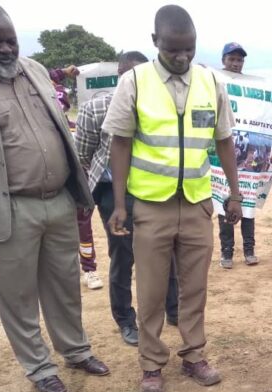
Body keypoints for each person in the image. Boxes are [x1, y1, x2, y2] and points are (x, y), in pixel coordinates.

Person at [0, 2, 110, 392]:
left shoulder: (35, 70)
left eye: (11, 40)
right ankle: (39, 368)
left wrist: (77, 189)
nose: (6, 49)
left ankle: (75, 351)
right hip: (5, 208)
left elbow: (58, 131)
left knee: (64, 284)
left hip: (58, 200)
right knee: (17, 294)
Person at [104, 5, 243, 392]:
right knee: (149, 290)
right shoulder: (134, 81)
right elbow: (121, 142)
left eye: (189, 50)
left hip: (197, 202)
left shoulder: (210, 82)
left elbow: (224, 141)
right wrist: (119, 204)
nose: (182, 58)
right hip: (151, 204)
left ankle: (194, 354)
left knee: (194, 287)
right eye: (173, 51)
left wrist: (234, 192)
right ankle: (151, 364)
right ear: (155, 43)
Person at [75, 50, 180, 347]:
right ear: (120, 75)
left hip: (156, 189)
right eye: (129, 76)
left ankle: (174, 310)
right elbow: (83, 153)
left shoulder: (161, 107)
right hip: (113, 193)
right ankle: (125, 319)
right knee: (123, 255)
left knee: (167, 249)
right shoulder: (96, 108)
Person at [51, 64, 104, 289]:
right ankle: (61, 274)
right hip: (54, 191)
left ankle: (89, 270)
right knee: (56, 234)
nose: (58, 109)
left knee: (84, 228)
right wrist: (62, 72)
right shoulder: (42, 131)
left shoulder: (76, 128)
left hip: (80, 190)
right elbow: (41, 75)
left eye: (60, 105)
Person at [217, 41, 257, 268]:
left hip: (246, 159)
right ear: (223, 60)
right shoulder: (214, 81)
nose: (235, 63)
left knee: (248, 203)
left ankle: (249, 249)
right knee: (224, 203)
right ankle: (227, 252)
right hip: (222, 156)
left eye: (239, 59)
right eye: (231, 59)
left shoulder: (252, 86)